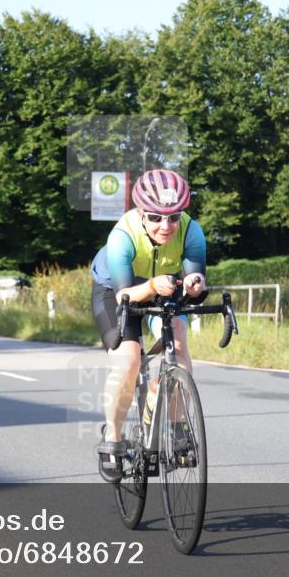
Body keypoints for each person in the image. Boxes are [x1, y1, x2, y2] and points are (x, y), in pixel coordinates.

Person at [89, 169, 207, 482]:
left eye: (173, 217)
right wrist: (154, 283)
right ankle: (112, 438)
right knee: (129, 361)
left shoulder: (192, 231)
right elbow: (125, 294)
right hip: (117, 291)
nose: (165, 226)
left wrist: (195, 284)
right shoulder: (121, 237)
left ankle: (179, 428)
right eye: (155, 217)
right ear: (141, 213)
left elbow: (196, 275)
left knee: (178, 346)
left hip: (164, 286)